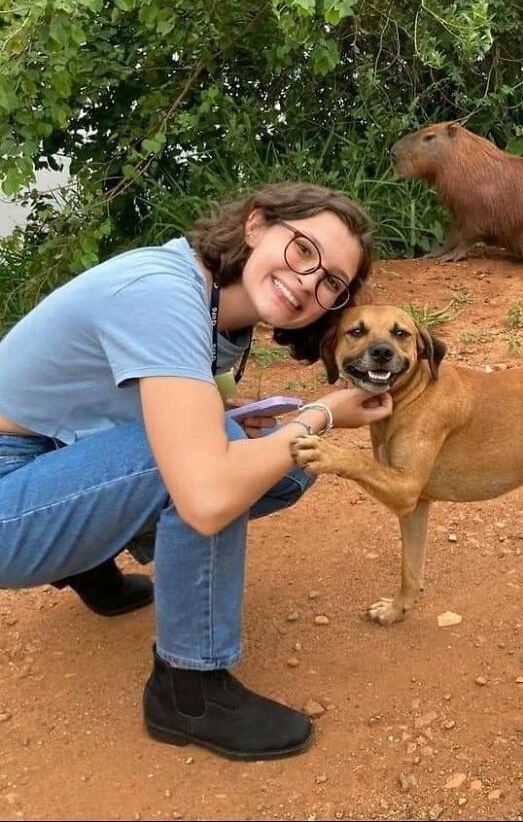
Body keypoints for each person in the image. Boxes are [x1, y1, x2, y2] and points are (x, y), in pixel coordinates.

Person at [0, 181, 392, 761]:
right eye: (304, 250)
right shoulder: (162, 294)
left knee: (282, 462)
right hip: (10, 491)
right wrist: (322, 413)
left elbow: (166, 401)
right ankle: (190, 691)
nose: (310, 281)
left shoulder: (220, 310)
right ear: (256, 226)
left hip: (48, 451)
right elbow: (206, 494)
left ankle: (87, 558)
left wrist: (255, 421)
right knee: (220, 465)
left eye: (332, 281)